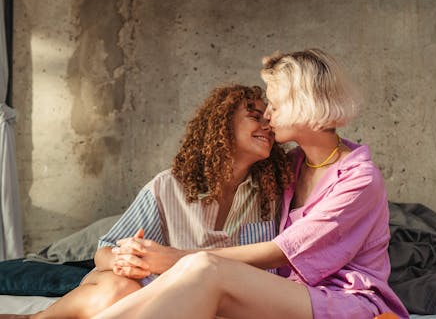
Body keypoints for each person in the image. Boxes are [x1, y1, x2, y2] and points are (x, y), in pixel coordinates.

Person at [91, 49, 410, 319]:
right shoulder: (294, 165)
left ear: (304, 103)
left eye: (275, 104)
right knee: (195, 274)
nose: (268, 116)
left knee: (205, 267)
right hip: (295, 294)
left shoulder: (359, 178)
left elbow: (283, 252)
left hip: (345, 303)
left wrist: (176, 257)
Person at [1, 84, 292, 319]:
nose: (267, 125)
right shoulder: (170, 185)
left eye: (268, 119)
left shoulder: (277, 192)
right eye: (255, 116)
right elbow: (105, 250)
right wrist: (125, 260)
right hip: (163, 294)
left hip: (234, 304)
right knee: (118, 288)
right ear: (222, 126)